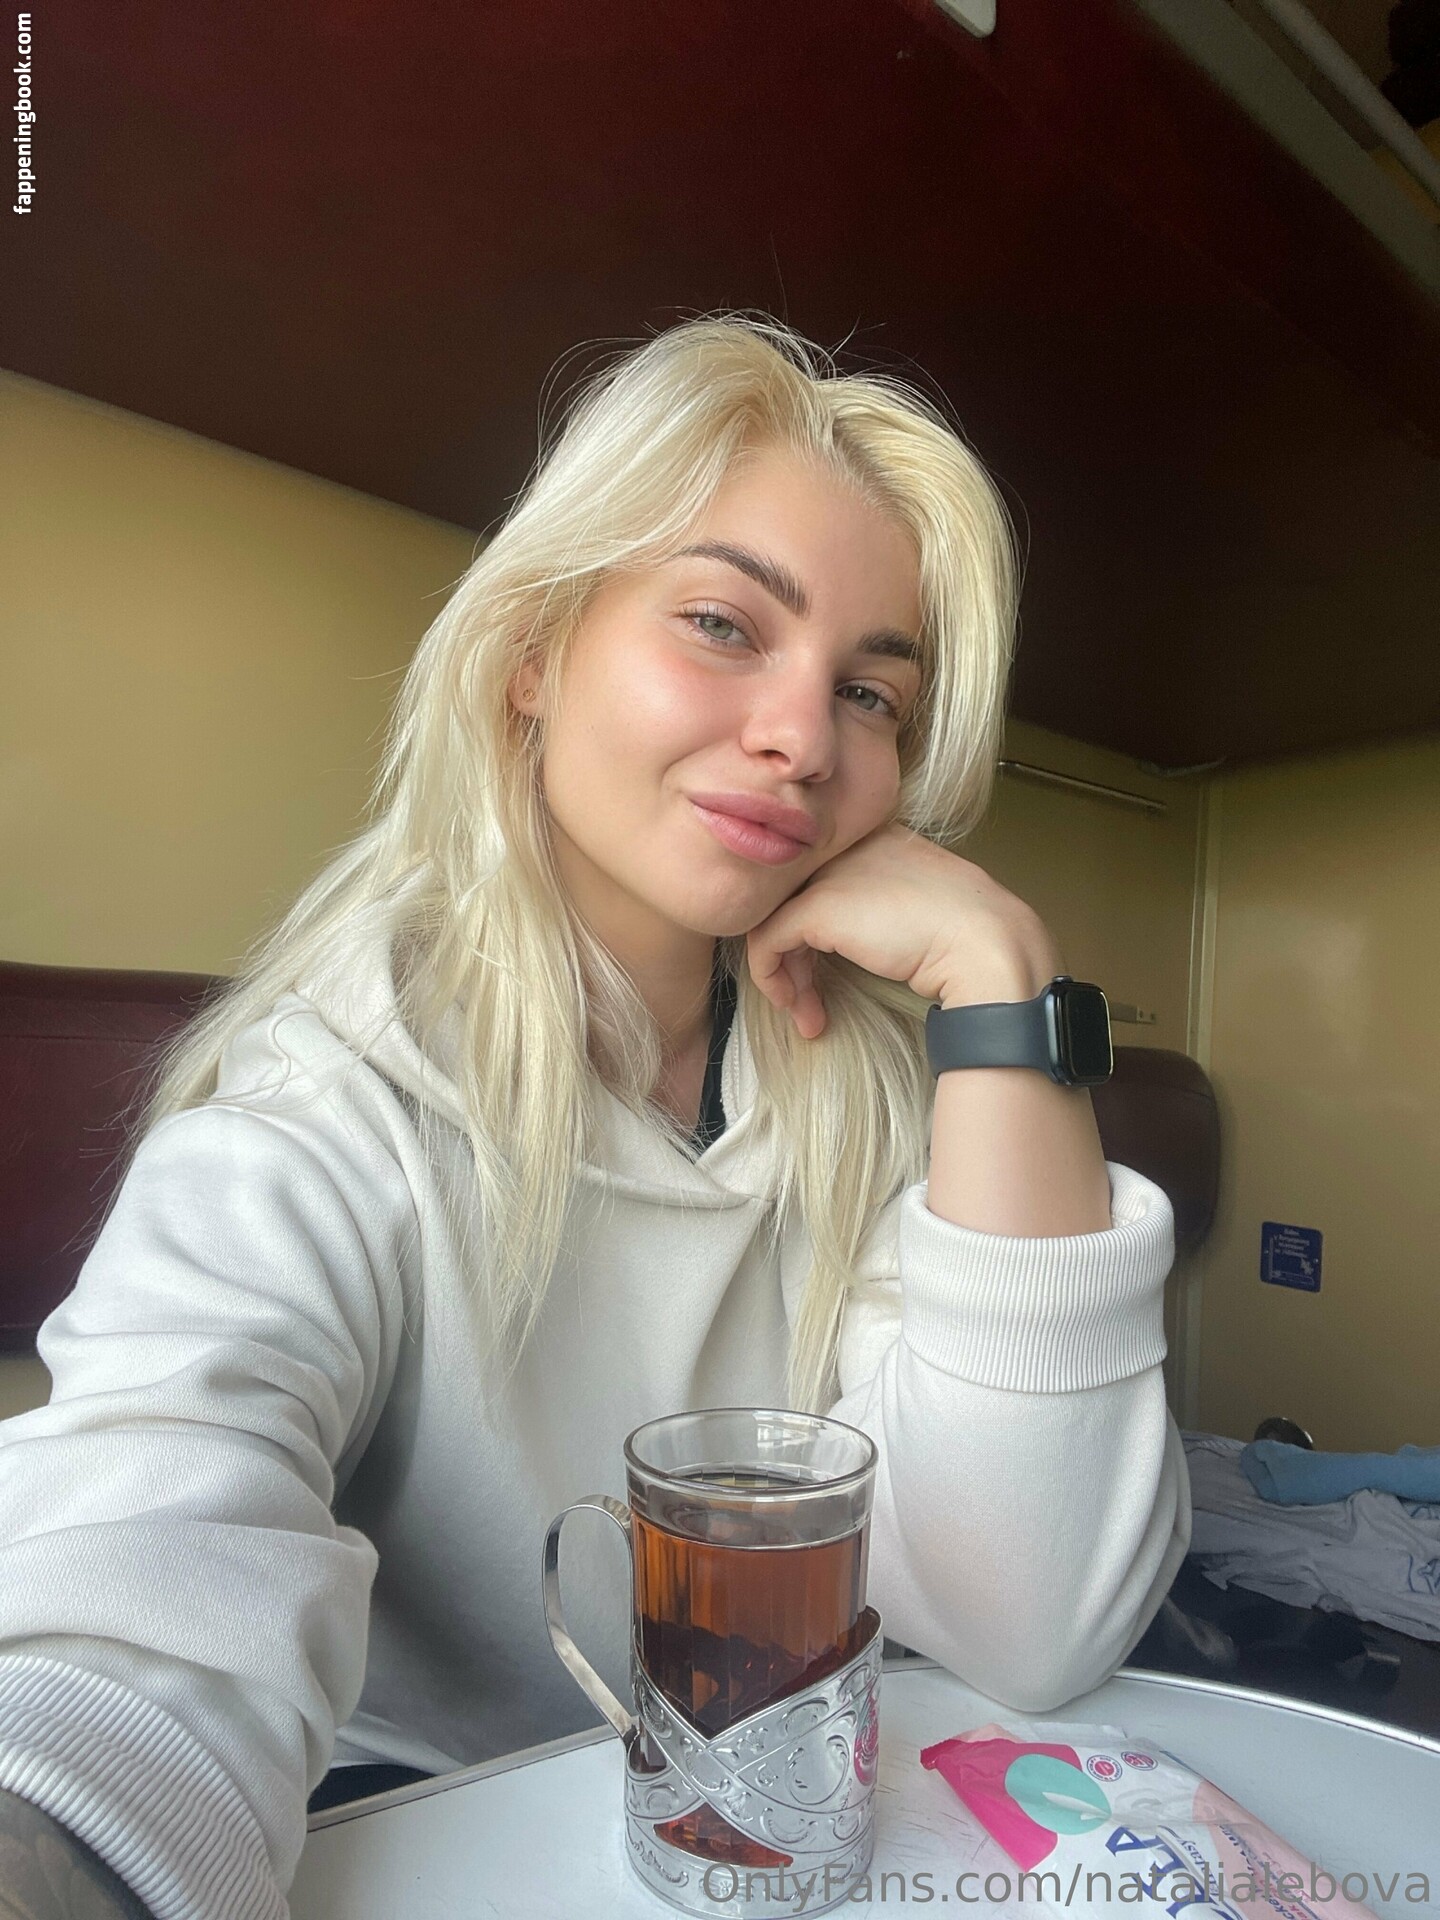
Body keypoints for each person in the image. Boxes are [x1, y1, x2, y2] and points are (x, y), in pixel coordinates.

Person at [0, 313, 1191, 1919]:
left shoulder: (879, 1095)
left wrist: (1003, 979)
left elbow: (1029, 1624)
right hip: (432, 1845)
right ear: (532, 654)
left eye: (871, 694)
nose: (802, 739)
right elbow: (148, 1545)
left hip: (797, 1839)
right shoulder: (331, 1096)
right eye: (721, 623)